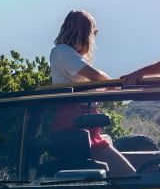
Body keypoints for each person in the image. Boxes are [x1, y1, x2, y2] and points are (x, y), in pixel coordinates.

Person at [48, 10, 135, 176]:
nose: (93, 39)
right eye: (93, 33)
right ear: (84, 32)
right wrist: (111, 84)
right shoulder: (62, 52)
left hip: (85, 128)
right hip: (76, 129)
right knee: (131, 176)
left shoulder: (70, 55)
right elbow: (95, 75)